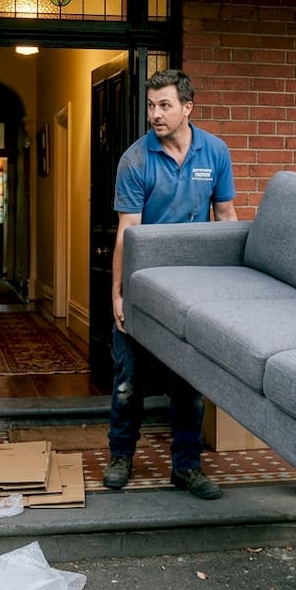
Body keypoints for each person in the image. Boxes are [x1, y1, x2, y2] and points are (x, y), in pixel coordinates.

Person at [102, 69, 237, 500]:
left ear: (187, 108)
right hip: (145, 286)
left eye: (164, 105)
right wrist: (118, 293)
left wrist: (230, 288)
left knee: (188, 383)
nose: (155, 115)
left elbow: (227, 220)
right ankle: (121, 457)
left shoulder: (215, 153)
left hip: (195, 289)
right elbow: (127, 231)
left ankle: (187, 467)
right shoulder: (136, 160)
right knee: (129, 382)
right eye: (151, 105)